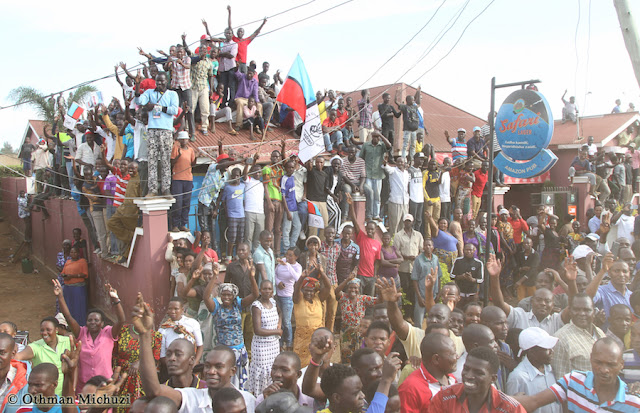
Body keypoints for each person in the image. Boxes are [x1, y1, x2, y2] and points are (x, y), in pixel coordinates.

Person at [135, 293, 257, 413]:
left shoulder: (248, 401)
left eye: (218, 366)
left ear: (233, 371)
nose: (211, 371)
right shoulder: (192, 398)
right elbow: (154, 391)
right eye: (207, 366)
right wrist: (145, 335)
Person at [516, 337, 640, 412]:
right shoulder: (573, 381)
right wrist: (507, 399)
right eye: (598, 362)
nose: (604, 370)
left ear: (621, 364)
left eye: (611, 365)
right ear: (591, 358)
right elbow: (534, 401)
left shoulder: (634, 403)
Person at [54, 279, 125, 394]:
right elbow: (68, 317)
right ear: (86, 322)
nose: (93, 322)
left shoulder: (108, 333)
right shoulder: (81, 333)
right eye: (90, 320)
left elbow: (121, 320)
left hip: (104, 384)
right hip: (84, 385)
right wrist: (60, 296)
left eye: (96, 320)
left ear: (102, 323)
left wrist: (115, 299)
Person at [203, 263, 259, 390]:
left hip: (239, 350)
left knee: (239, 382)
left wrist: (252, 277)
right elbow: (206, 297)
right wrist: (214, 277)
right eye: (224, 294)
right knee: (225, 380)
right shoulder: (216, 307)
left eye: (229, 295)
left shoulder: (238, 305)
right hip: (224, 351)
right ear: (220, 296)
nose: (226, 297)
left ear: (234, 296)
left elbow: (255, 295)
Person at [488, 254, 574, 335]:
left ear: (553, 304)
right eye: (539, 300)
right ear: (531, 301)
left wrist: (571, 281)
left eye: (547, 301)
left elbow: (574, 305)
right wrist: (494, 277)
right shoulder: (520, 316)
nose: (543, 303)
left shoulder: (557, 320)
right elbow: (499, 303)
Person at [135, 72, 179, 198]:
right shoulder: (149, 92)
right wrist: (137, 85)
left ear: (167, 81)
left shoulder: (172, 94)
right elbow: (139, 100)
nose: (159, 83)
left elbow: (174, 110)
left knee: (165, 160)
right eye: (157, 81)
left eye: (162, 81)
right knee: (152, 160)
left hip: (166, 130)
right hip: (152, 130)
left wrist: (158, 107)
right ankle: (152, 190)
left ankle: (166, 189)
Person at [506, 327, 561, 413]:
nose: (552, 351)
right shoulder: (518, 377)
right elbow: (511, 408)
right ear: (532, 351)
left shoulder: (552, 370)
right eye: (546, 349)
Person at [398, 333, 458, 413]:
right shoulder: (411, 388)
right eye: (453, 354)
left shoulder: (451, 378)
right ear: (436, 359)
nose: (457, 356)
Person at [551, 293, 605, 378]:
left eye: (587, 310)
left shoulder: (600, 333)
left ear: (594, 312)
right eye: (576, 310)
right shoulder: (561, 339)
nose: (582, 313)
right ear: (570, 311)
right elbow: (561, 379)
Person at [14, 316, 71, 395]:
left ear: (56, 330)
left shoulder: (68, 341)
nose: (44, 333)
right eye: (42, 330)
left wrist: (73, 388)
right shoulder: (35, 347)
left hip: (67, 392)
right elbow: (16, 358)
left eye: (48, 330)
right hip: (44, 396)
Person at [113, 323, 162, 412]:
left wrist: (140, 362)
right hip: (121, 378)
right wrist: (125, 365)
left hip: (142, 380)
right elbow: (114, 354)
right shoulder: (122, 330)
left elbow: (155, 358)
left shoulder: (156, 336)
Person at [292, 264, 331, 368]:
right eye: (306, 290)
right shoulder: (298, 299)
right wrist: (302, 277)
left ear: (315, 292)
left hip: (318, 338)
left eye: (311, 291)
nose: (309, 293)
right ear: (303, 290)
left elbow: (328, 287)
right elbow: (296, 289)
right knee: (301, 364)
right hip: (302, 339)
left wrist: (322, 273)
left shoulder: (318, 298)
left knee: (318, 363)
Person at [335, 276, 379, 363]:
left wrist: (380, 289)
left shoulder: (363, 299)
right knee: (346, 357)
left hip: (360, 333)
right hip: (346, 333)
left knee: (360, 356)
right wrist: (347, 279)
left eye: (355, 288)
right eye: (350, 287)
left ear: (359, 289)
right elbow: (336, 291)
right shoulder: (343, 297)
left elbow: (378, 301)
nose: (353, 290)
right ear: (347, 288)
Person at [346, 194, 381, 296]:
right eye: (368, 228)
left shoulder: (378, 244)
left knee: (370, 300)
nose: (370, 231)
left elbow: (377, 261)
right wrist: (351, 205)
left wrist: (375, 275)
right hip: (360, 275)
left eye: (372, 229)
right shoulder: (361, 236)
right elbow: (354, 221)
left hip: (371, 277)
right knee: (358, 299)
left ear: (375, 230)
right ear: (365, 228)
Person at [107, 161, 141, 262]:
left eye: (133, 168)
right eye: (129, 168)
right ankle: (131, 236)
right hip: (122, 209)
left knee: (130, 240)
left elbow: (141, 196)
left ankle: (125, 256)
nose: (130, 170)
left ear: (137, 169)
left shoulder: (139, 180)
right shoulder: (130, 178)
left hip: (131, 213)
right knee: (111, 223)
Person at [159, 297, 204, 366]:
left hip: (191, 365)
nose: (173, 311)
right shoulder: (163, 329)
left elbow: (200, 346)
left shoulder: (192, 323)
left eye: (176, 309)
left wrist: (194, 364)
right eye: (170, 309)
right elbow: (162, 356)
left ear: (182, 310)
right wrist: (174, 367)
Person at [360, 132, 392, 221]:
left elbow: (389, 146)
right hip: (368, 174)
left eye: (377, 137)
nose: (376, 139)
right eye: (374, 137)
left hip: (378, 175)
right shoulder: (366, 145)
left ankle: (376, 215)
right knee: (369, 195)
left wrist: (381, 135)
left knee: (377, 196)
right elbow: (361, 158)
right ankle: (368, 215)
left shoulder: (382, 145)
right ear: (372, 137)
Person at [275, 248, 302, 351]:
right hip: (278, 295)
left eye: (291, 255)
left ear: (296, 257)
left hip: (287, 297)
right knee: (279, 321)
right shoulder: (281, 262)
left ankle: (289, 343)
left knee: (286, 322)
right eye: (287, 254)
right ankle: (280, 343)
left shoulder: (297, 267)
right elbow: (274, 274)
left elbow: (297, 278)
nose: (287, 257)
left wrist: (287, 265)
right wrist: (278, 282)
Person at [411, 239, 442, 328]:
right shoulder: (418, 260)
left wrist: (439, 293)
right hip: (422, 295)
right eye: (426, 245)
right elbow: (415, 279)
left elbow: (439, 276)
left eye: (429, 245)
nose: (428, 247)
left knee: (433, 320)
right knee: (419, 322)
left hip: (433, 295)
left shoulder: (435, 258)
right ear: (423, 247)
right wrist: (419, 297)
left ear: (433, 247)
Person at [227, 6, 267, 73]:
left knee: (244, 77)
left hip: (244, 63)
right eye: (239, 31)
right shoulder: (234, 39)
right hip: (236, 62)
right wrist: (229, 13)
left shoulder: (246, 40)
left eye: (241, 32)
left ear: (243, 33)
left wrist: (263, 24)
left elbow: (255, 33)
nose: (240, 33)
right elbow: (229, 26)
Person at [170, 131, 196, 231]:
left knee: (186, 203)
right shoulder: (176, 149)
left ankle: (183, 224)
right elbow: (171, 162)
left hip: (188, 179)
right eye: (182, 139)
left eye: (185, 139)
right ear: (179, 140)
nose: (184, 141)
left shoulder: (191, 150)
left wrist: (196, 158)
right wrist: (178, 155)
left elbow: (193, 164)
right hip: (177, 179)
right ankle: (175, 225)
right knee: (178, 203)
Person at [58, 247, 89, 325]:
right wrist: (64, 276)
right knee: (69, 305)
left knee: (78, 306)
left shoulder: (82, 261)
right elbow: (63, 272)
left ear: (78, 253)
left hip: (78, 288)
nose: (73, 254)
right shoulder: (68, 261)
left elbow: (85, 274)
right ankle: (69, 324)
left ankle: (80, 324)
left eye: (75, 252)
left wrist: (72, 276)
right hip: (68, 287)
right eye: (71, 252)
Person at [221, 167, 246, 261]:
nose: (236, 177)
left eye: (237, 175)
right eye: (234, 175)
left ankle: (238, 256)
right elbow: (223, 201)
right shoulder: (227, 187)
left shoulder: (243, 186)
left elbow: (244, 200)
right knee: (232, 237)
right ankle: (229, 256)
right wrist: (227, 212)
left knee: (240, 237)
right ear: (231, 176)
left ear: (240, 176)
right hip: (232, 215)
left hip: (242, 215)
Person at [383, 156, 410, 236]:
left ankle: (400, 240)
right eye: (398, 162)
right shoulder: (393, 170)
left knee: (404, 223)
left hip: (405, 202)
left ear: (404, 163)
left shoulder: (406, 173)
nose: (400, 163)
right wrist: (385, 163)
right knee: (394, 224)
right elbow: (386, 168)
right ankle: (393, 240)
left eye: (401, 162)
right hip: (395, 201)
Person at [394, 87, 421, 159]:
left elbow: (418, 102)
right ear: (407, 100)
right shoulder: (404, 107)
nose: (413, 101)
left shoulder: (414, 107)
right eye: (412, 100)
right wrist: (397, 92)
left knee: (413, 145)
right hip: (407, 129)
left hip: (414, 129)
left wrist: (418, 92)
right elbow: (396, 101)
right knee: (405, 144)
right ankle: (403, 158)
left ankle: (411, 158)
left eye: (413, 100)